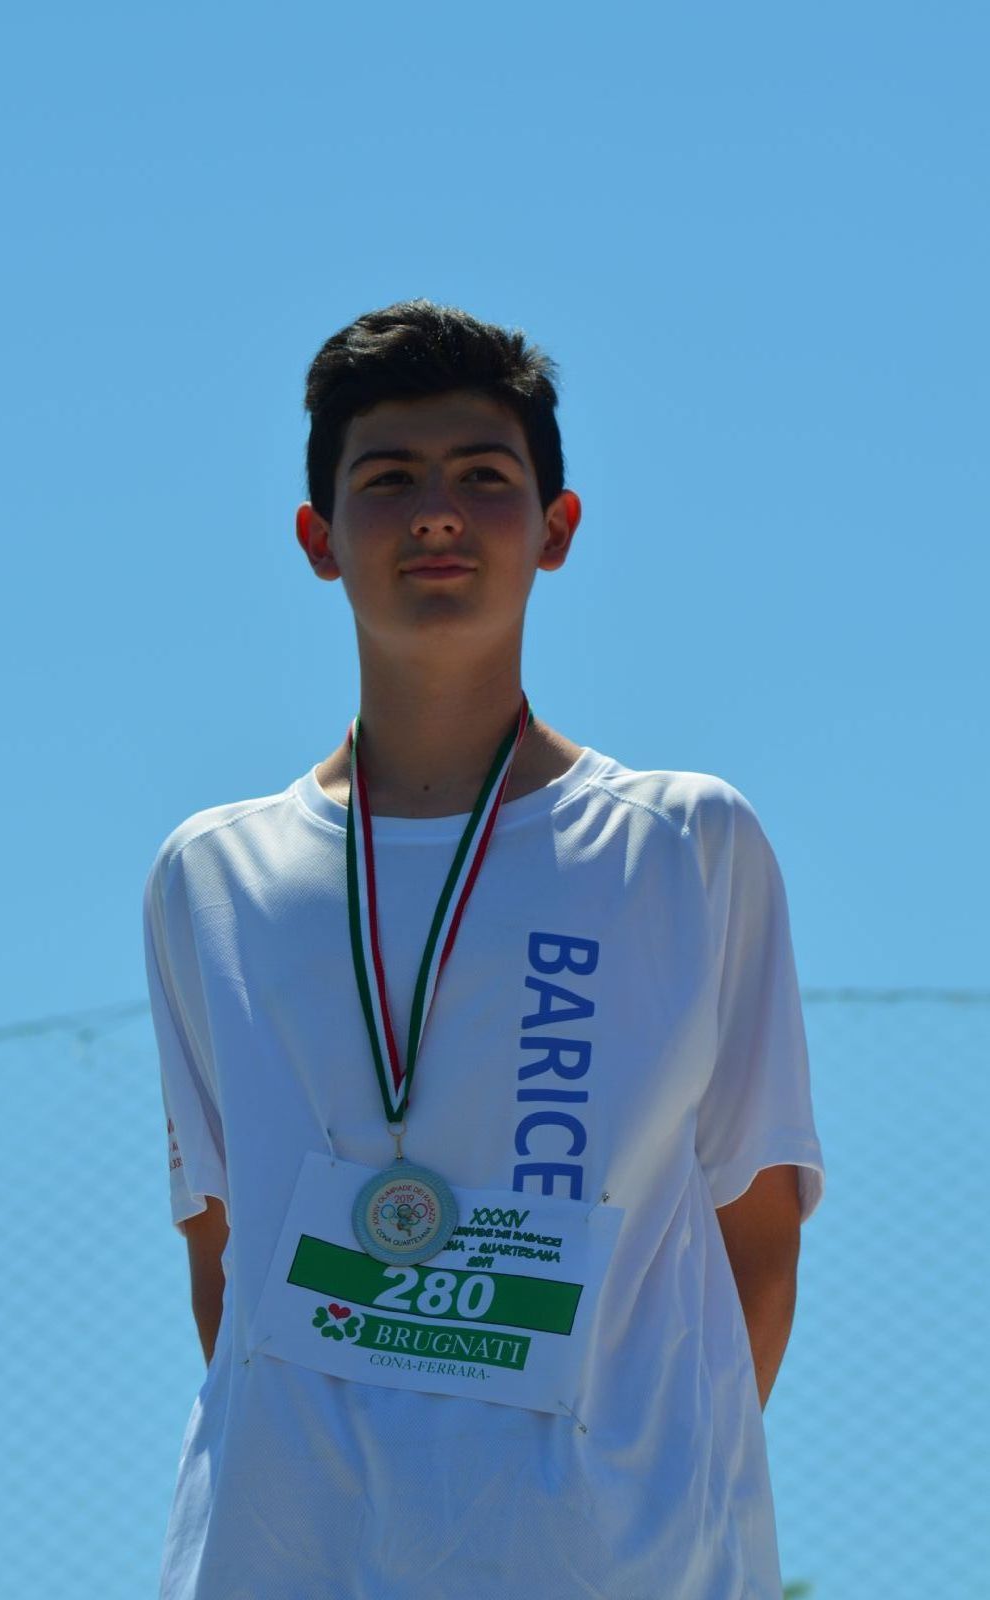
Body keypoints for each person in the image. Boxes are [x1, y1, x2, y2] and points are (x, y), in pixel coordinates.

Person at [142, 297, 826, 1600]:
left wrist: (626, 1510)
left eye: (483, 477)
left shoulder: (682, 845)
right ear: (319, 539)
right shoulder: (212, 876)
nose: (437, 514)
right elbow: (226, 1264)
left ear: (556, 530)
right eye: (388, 480)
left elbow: (759, 1238)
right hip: (284, 1561)